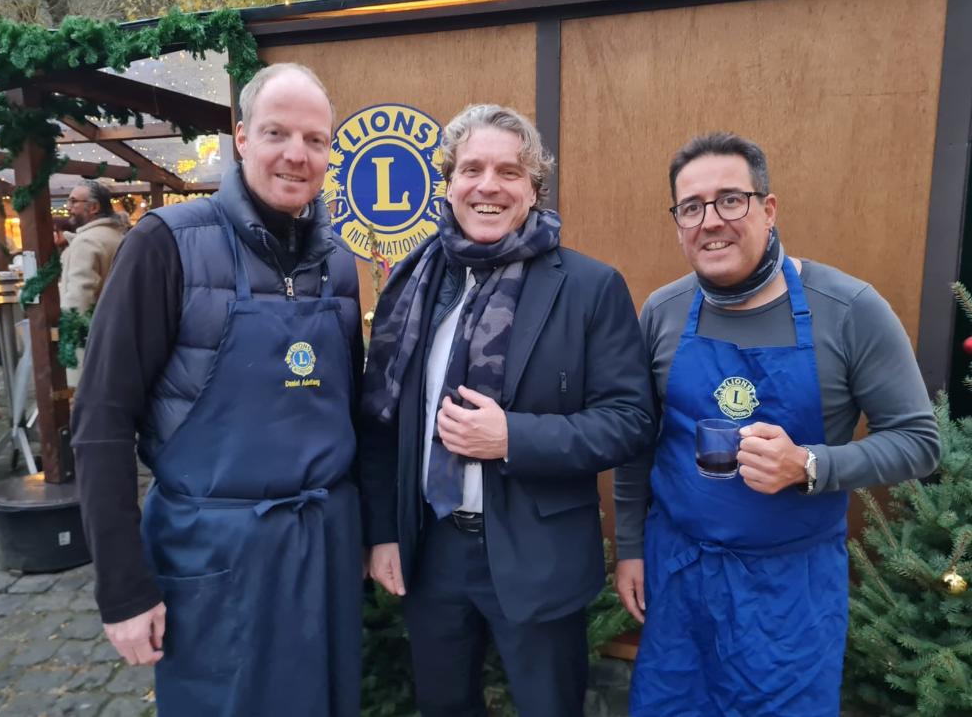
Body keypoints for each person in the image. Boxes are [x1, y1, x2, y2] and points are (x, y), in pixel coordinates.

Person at [614, 132, 941, 716]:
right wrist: (632, 549)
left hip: (790, 595)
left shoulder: (849, 310)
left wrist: (810, 464)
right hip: (680, 576)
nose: (711, 221)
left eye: (730, 200)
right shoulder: (663, 311)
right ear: (679, 224)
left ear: (768, 209)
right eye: (691, 207)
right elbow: (638, 442)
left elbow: (918, 442)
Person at [73, 63, 364, 717]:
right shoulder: (166, 245)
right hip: (215, 554)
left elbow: (353, 412)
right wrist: (122, 589)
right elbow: (102, 419)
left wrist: (376, 535)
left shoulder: (339, 263)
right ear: (242, 137)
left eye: (315, 140)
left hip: (324, 549)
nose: (296, 154)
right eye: (277, 133)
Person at [361, 103, 653, 717]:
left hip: (538, 556)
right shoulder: (413, 286)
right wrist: (384, 531)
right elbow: (383, 421)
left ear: (534, 189)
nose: (488, 186)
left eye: (509, 172)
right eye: (471, 169)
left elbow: (629, 421)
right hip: (433, 552)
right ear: (448, 184)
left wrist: (512, 438)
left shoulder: (589, 287)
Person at [58, 179, 126, 386]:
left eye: (73, 201)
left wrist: (70, 336)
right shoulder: (117, 236)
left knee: (84, 393)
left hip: (88, 339)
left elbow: (80, 296)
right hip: (115, 331)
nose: (68, 207)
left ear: (94, 207)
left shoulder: (87, 241)